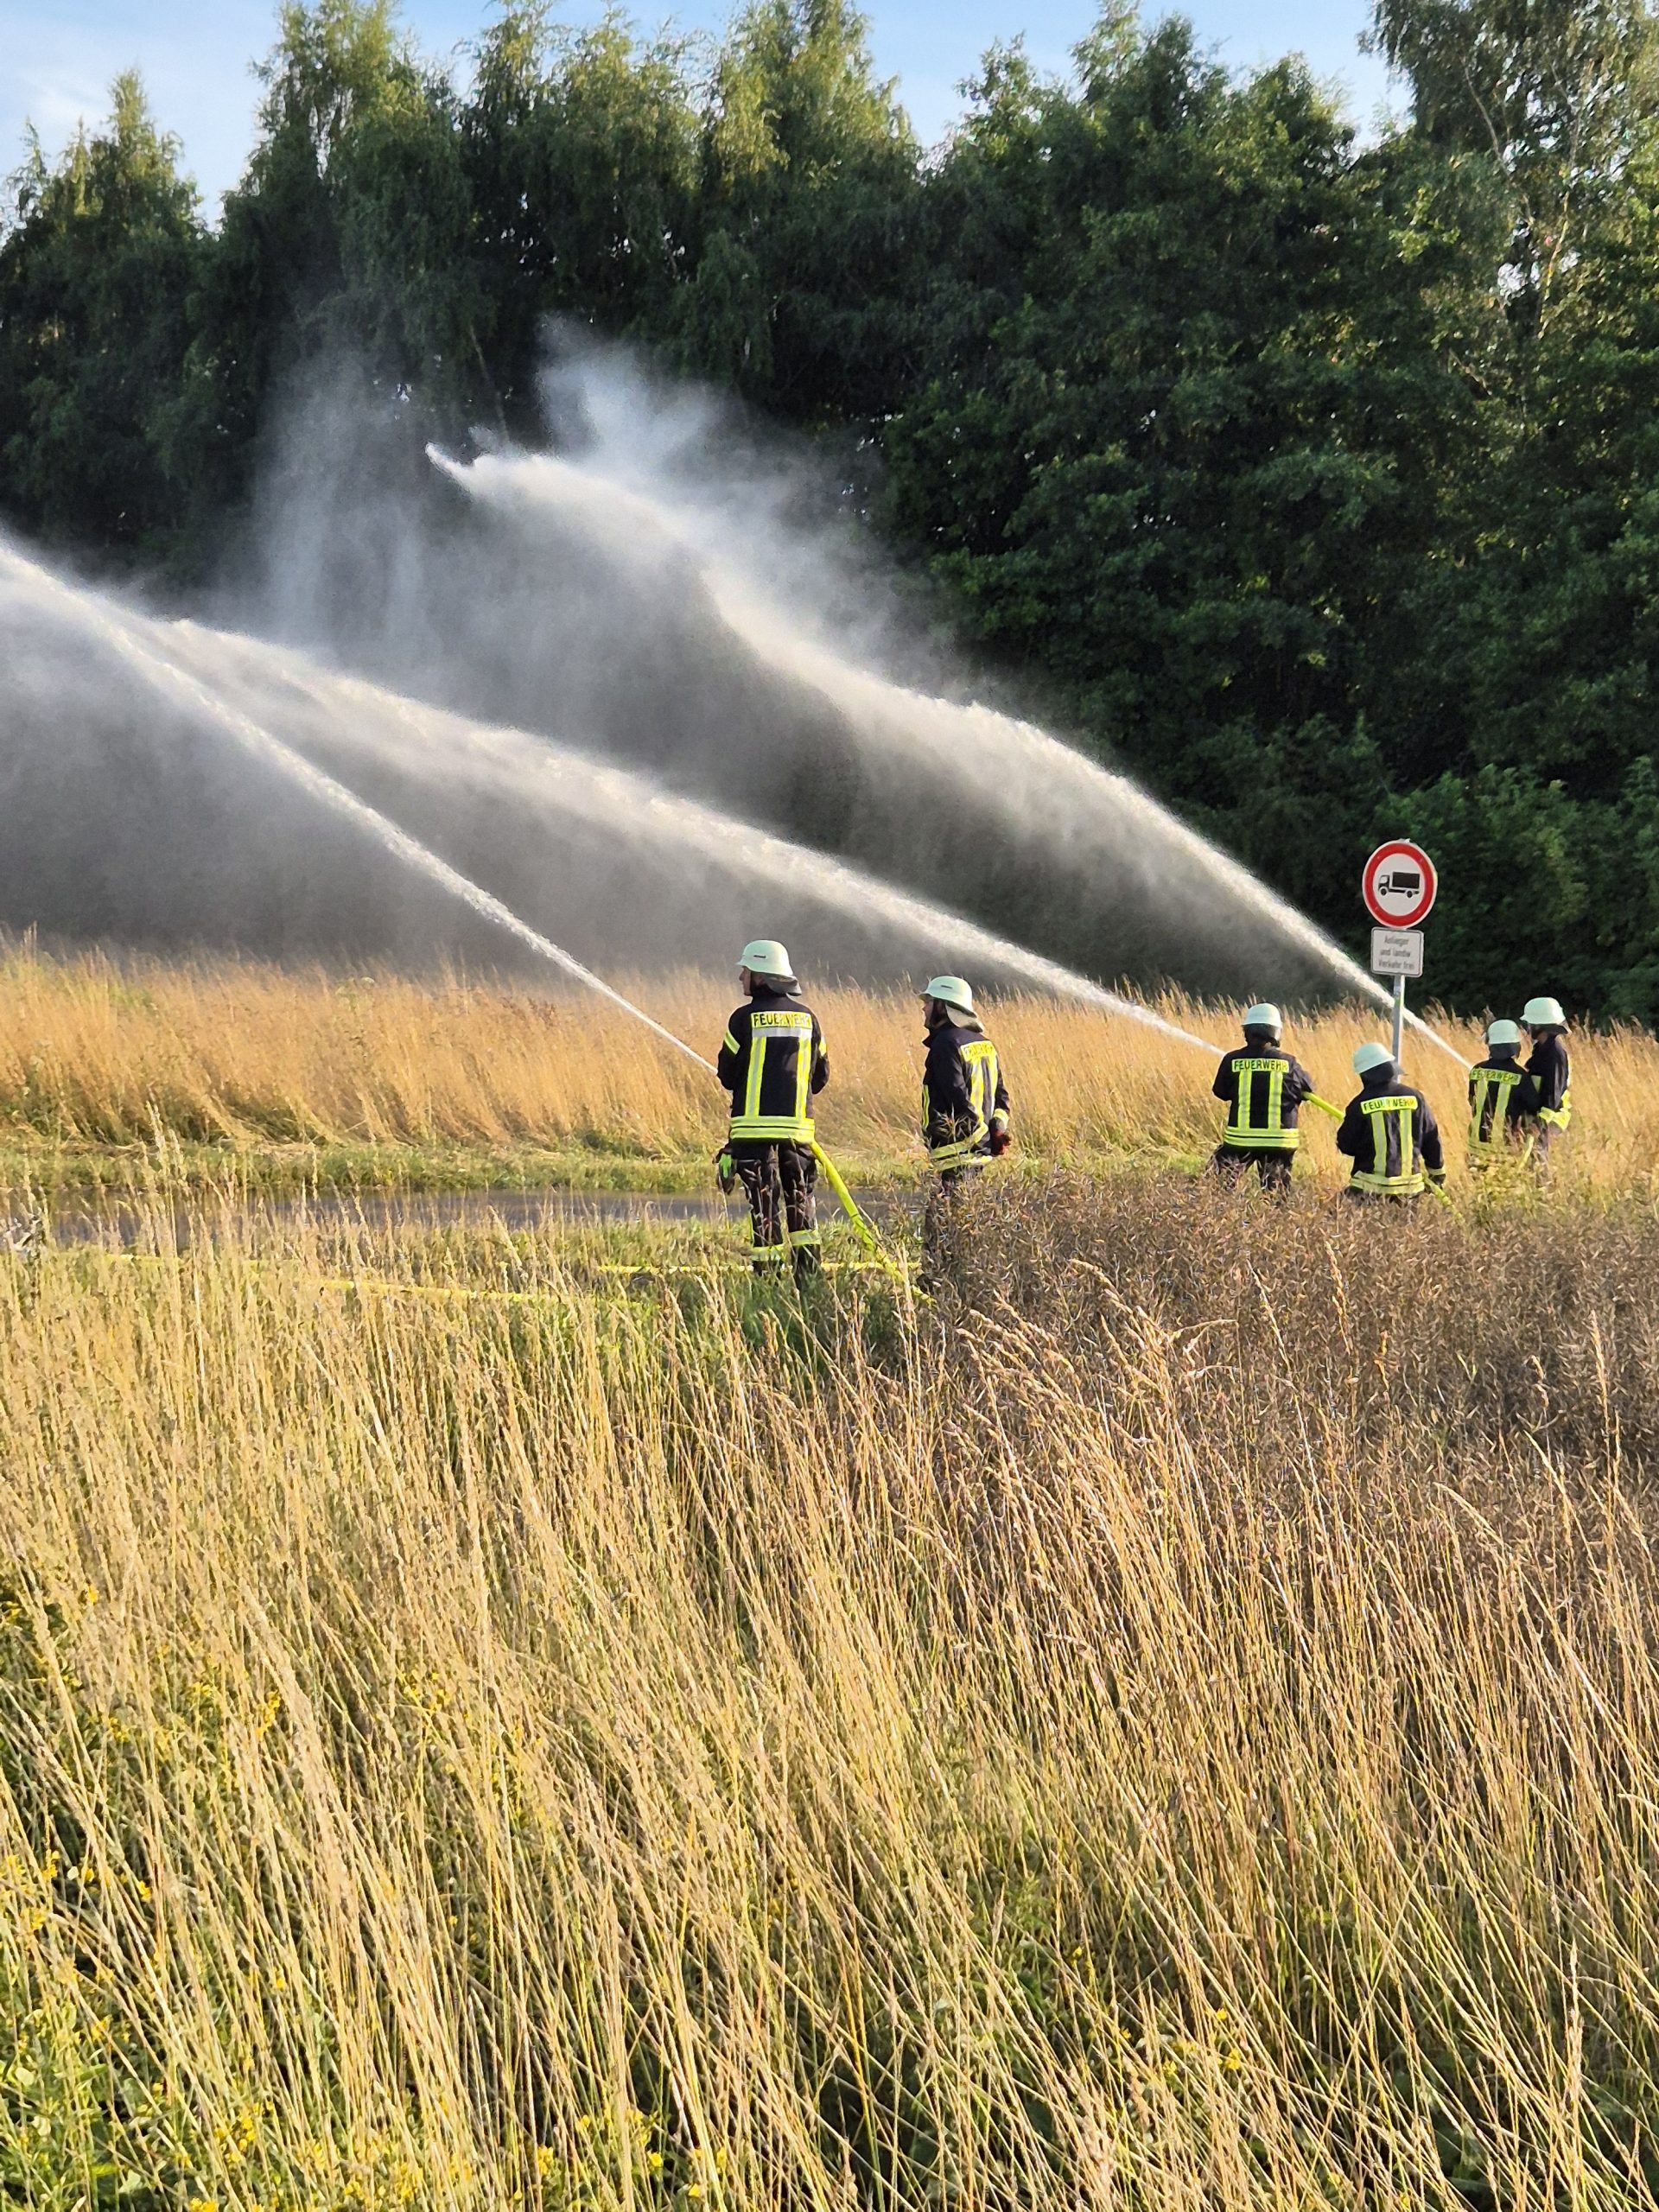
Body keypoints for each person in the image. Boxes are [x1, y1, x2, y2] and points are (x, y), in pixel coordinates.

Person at [715, 939, 830, 1281]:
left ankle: (768, 1281)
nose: (741, 978)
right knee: (801, 1205)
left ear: (762, 976)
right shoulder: (808, 1019)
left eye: (746, 971)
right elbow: (821, 1076)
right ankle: (808, 1279)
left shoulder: (742, 1019)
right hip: (798, 1134)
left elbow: (727, 1075)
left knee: (763, 1208)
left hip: (752, 1134)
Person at [1209, 1002, 1314, 1192]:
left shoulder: (1232, 1060)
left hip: (1241, 1141)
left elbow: (1220, 1092)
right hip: (1280, 1144)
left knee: (1220, 1190)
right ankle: (1277, 1220)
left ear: (1247, 1031)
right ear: (1275, 1032)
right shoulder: (1289, 1063)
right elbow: (1308, 1089)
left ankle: (1223, 1218)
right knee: (1276, 1196)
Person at [920, 976, 1010, 1185]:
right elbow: (1001, 1097)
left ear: (943, 1007)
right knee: (965, 1215)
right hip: (979, 1152)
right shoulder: (985, 1044)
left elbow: (956, 1095)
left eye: (930, 1002)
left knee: (942, 1216)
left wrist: (977, 1137)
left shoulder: (945, 1044)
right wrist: (996, 1131)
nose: (924, 1008)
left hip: (957, 1152)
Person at [1335, 1043, 1445, 1201]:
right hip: (1410, 1191)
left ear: (1364, 1074)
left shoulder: (1359, 1104)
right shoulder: (1415, 1098)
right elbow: (1431, 1139)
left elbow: (1346, 1145)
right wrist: (1437, 1174)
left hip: (1369, 1191)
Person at [1466, 1019, 1540, 1170]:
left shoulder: (1476, 1071)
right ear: (1515, 1047)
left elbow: (1471, 1100)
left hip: (1475, 1148)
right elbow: (1534, 1106)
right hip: (1505, 1151)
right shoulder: (1520, 1076)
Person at [1521, 995, 1572, 1160]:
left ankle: (1542, 1185)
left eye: (1530, 1024)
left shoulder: (1554, 1053)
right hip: (1541, 1115)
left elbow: (1553, 1092)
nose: (1528, 1028)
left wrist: (1540, 1123)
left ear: (1539, 1025)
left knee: (1537, 1160)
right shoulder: (1543, 1049)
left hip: (1550, 1117)